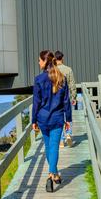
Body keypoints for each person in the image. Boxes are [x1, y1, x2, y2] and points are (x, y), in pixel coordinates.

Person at [32, 50, 72, 192]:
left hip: (43, 118)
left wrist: (34, 119)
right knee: (53, 146)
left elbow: (36, 102)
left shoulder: (38, 80)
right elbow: (66, 101)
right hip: (57, 118)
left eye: (39, 60)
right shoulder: (61, 78)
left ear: (45, 61)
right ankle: (53, 175)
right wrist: (69, 119)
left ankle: (51, 174)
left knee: (49, 146)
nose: (38, 62)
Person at [55, 50, 76, 148]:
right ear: (62, 58)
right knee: (68, 116)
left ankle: (61, 140)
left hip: (56, 99)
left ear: (55, 58)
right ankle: (68, 134)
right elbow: (72, 84)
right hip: (66, 97)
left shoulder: (53, 70)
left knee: (59, 118)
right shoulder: (68, 69)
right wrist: (74, 96)